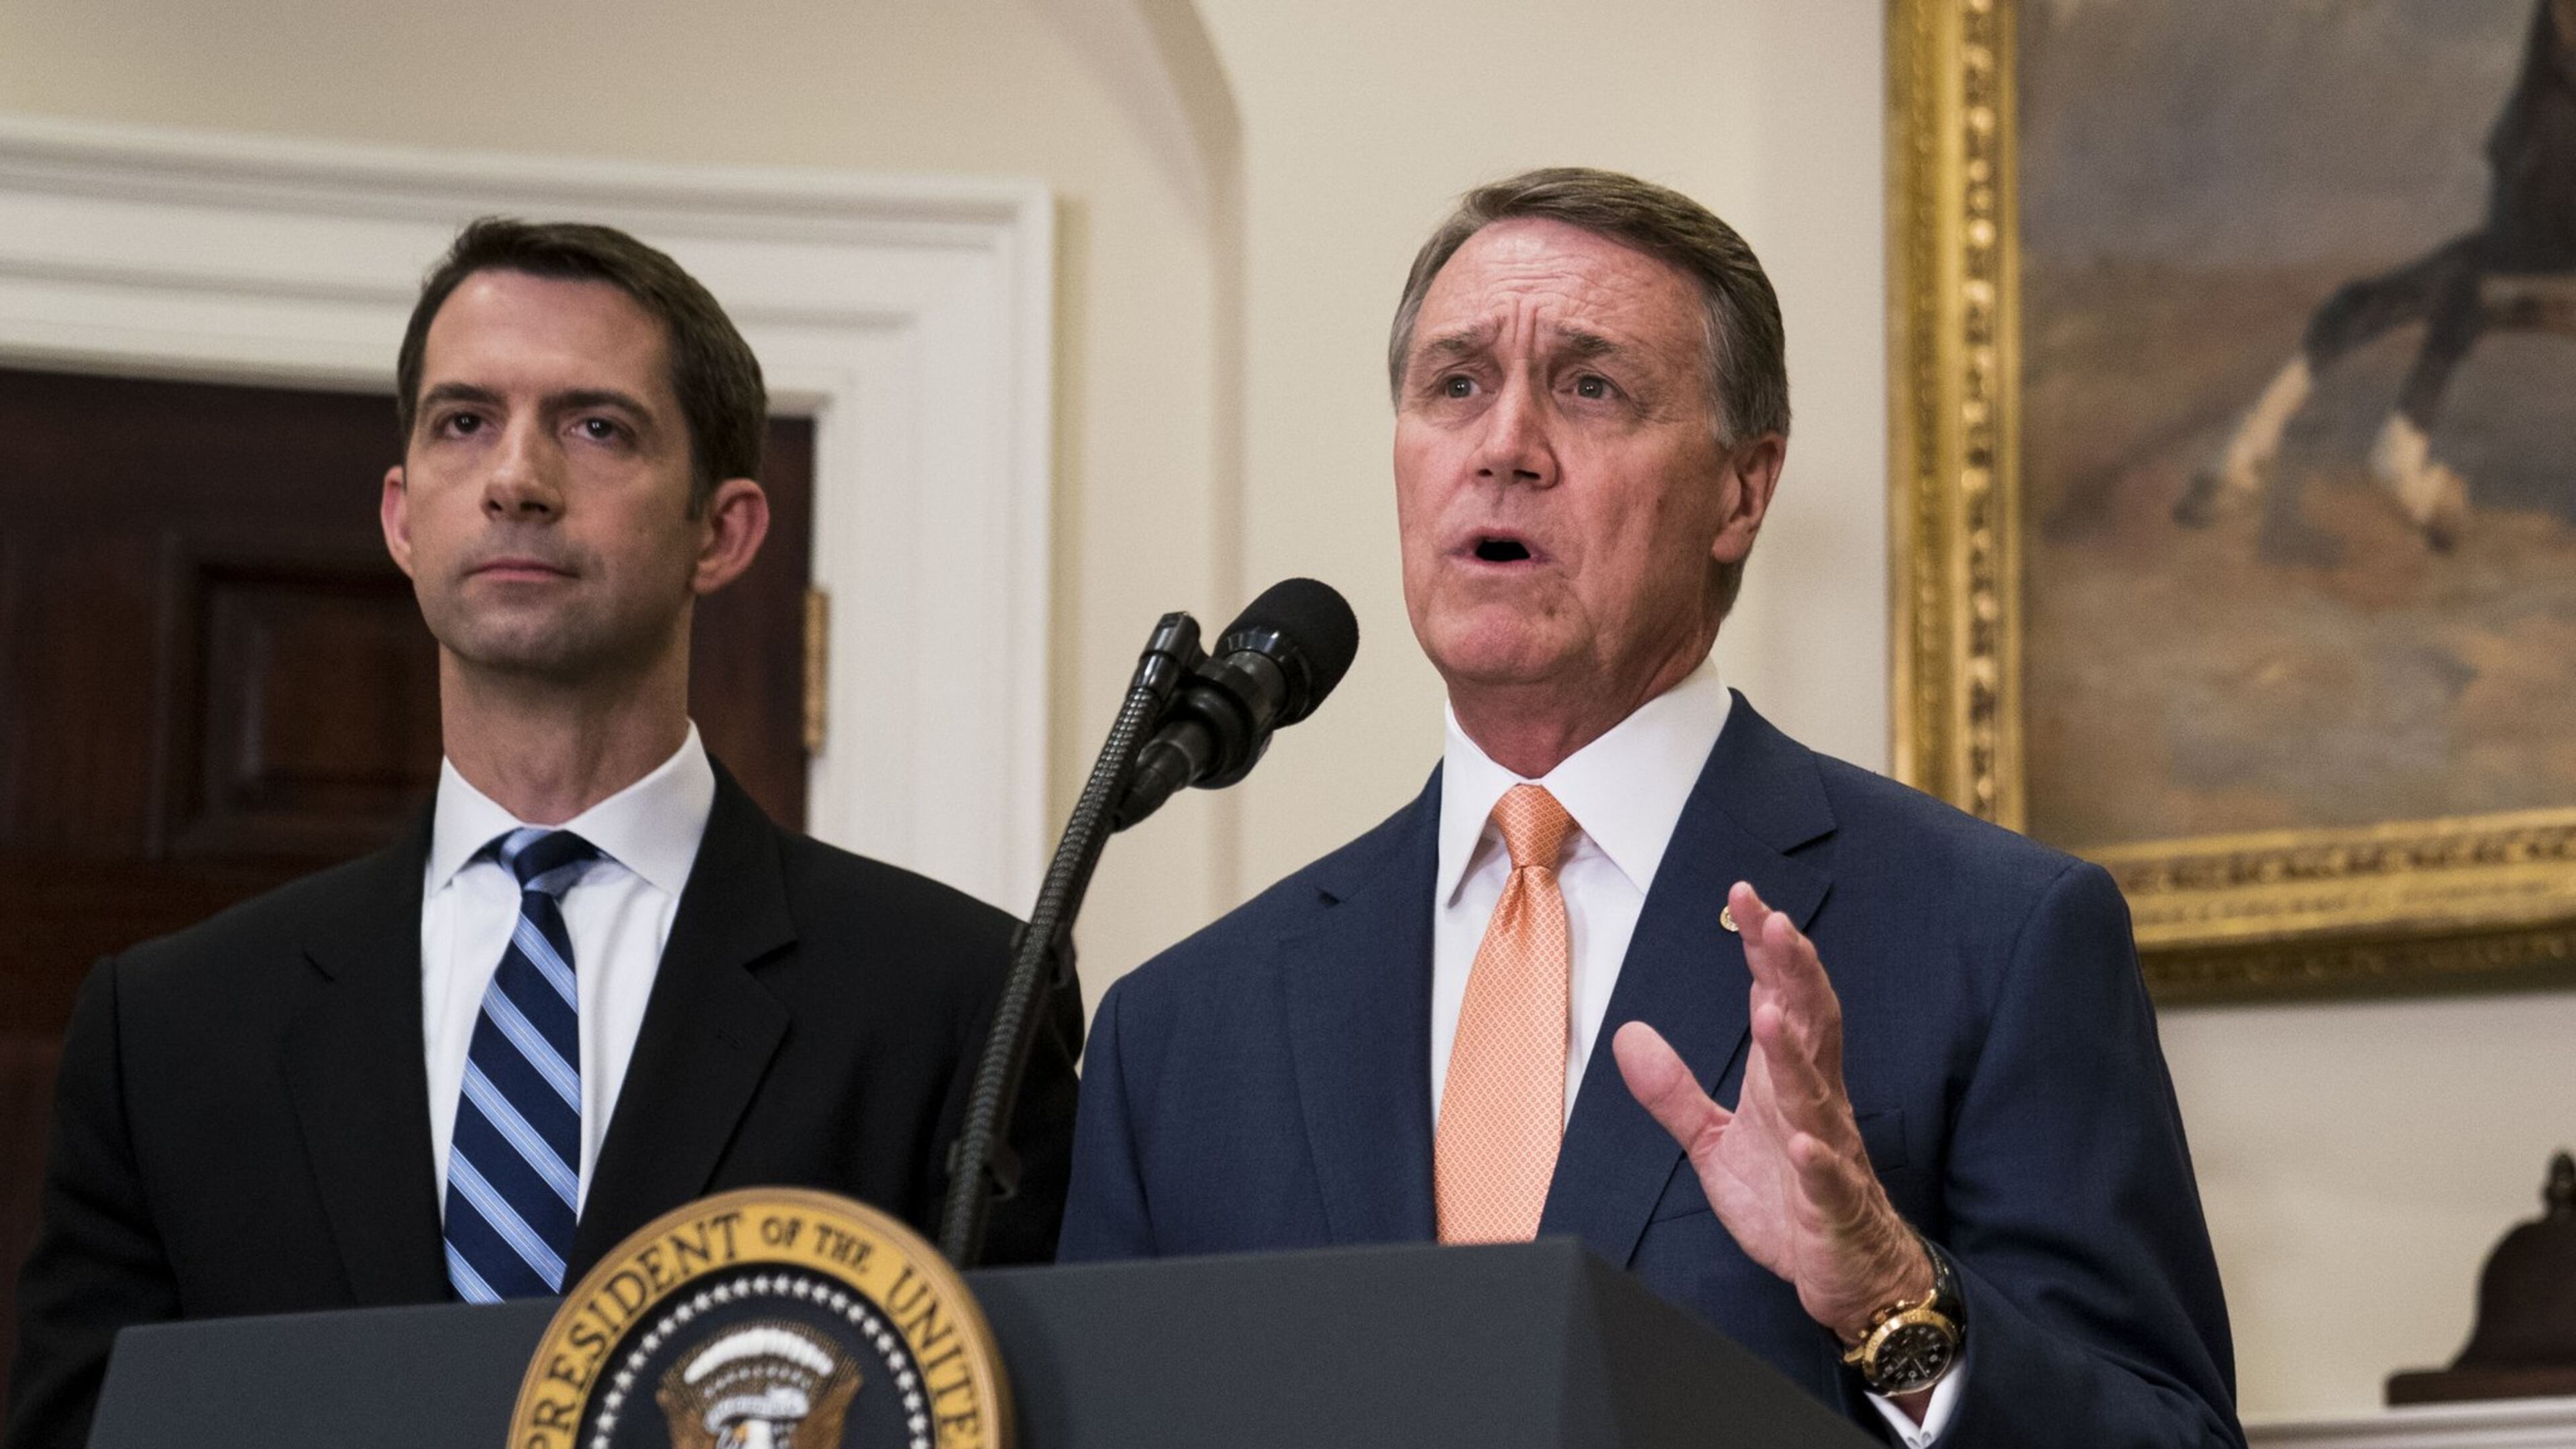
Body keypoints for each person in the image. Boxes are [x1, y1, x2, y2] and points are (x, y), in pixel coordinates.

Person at [1058, 169, 2241, 1447]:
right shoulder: (1178, 1038)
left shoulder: (1997, 938)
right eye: (1455, 385)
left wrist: (1893, 1295)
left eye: (1590, 386)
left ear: (1742, 492)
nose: (1503, 445)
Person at [6, 219, 1079, 1448]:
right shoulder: (171, 1031)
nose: (516, 478)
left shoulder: (949, 996)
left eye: (594, 426)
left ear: (722, 532)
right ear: (404, 519)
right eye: (464, 421)